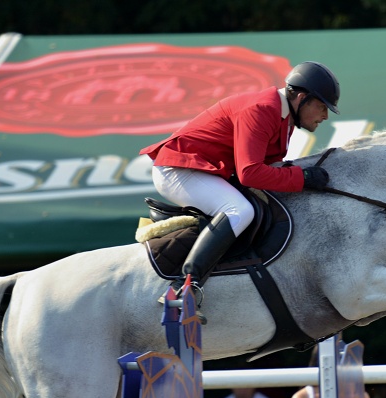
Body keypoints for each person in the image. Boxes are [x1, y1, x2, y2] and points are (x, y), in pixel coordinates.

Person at [140, 61, 340, 295]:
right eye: (321, 106)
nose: (325, 116)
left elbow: (266, 166)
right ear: (302, 98)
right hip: (179, 169)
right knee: (240, 211)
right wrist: (302, 178)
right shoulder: (263, 109)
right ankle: (187, 285)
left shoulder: (283, 118)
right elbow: (250, 173)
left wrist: (300, 174)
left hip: (203, 171)